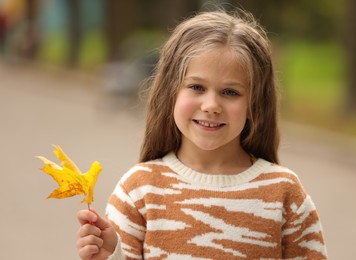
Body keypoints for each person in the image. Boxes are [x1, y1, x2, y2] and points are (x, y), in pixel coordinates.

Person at [76, 9, 328, 259]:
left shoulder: (284, 193)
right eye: (197, 87)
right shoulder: (139, 190)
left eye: (230, 92)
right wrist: (109, 256)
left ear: (255, 103)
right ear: (170, 92)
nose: (211, 105)